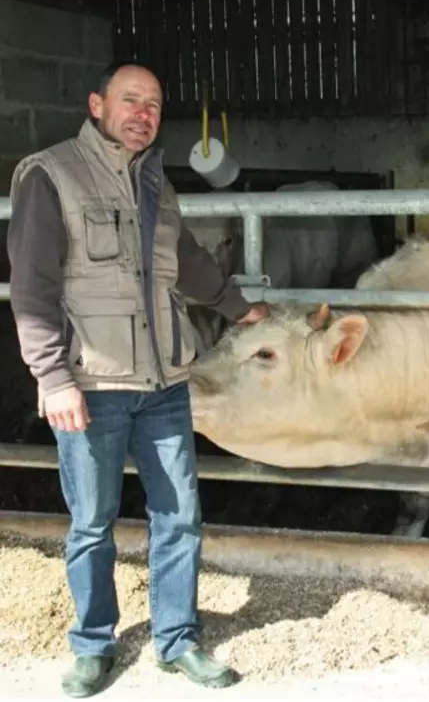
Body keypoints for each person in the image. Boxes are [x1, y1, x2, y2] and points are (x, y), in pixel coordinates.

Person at [6, 59, 268, 698]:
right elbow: (32, 291)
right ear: (97, 105)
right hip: (91, 384)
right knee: (92, 522)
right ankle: (94, 645)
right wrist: (52, 377)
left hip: (164, 383)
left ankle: (177, 640)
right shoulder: (50, 174)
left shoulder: (158, 185)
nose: (143, 114)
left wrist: (240, 308)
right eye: (131, 100)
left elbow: (187, 264)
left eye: (153, 104)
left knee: (179, 516)